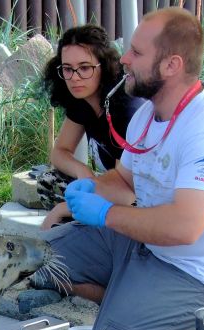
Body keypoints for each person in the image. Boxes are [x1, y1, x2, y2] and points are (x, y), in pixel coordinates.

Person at [35, 7, 204, 330]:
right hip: (147, 247)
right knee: (33, 260)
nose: (123, 59)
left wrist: (105, 214)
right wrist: (86, 192)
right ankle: (131, 309)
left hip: (199, 274)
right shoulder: (149, 116)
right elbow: (125, 180)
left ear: (171, 65)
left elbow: (184, 227)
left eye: (136, 53)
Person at [38, 25, 143, 228]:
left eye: (84, 68)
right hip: (109, 184)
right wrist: (81, 170)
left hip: (136, 196)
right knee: (49, 181)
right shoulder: (82, 98)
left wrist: (63, 208)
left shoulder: (126, 108)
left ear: (103, 66)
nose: (75, 77)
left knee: (65, 208)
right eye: (68, 69)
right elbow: (60, 152)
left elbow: (127, 186)